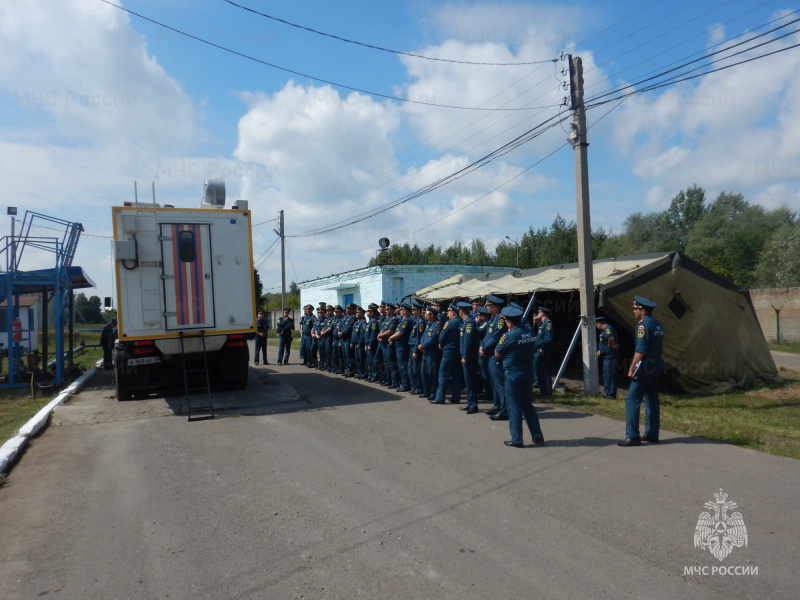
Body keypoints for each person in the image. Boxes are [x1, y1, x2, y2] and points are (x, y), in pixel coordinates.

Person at [495, 305, 545, 448]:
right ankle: (537, 435)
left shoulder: (508, 336)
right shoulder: (529, 332)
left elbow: (497, 353)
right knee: (527, 405)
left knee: (514, 406)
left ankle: (516, 439)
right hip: (527, 372)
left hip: (512, 373)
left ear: (509, 321)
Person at [618, 295, 664, 447]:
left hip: (644, 366)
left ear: (643, 311)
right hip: (655, 365)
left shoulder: (642, 326)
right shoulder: (657, 324)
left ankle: (632, 436)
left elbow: (640, 350)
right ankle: (652, 434)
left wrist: (632, 367)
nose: (633, 311)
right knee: (651, 399)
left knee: (632, 399)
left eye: (635, 309)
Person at [481, 295, 508, 420]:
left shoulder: (501, 320)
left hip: (494, 354)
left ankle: (504, 410)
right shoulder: (493, 319)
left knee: (499, 383)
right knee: (493, 383)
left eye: (489, 305)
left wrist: (485, 348)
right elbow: (487, 336)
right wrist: (482, 346)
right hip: (489, 353)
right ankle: (497, 405)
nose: (486, 307)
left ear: (495, 307)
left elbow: (496, 337)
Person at [457, 302, 480, 414]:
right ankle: (469, 402)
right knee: (468, 381)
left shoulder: (469, 322)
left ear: (460, 312)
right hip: (465, 354)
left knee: (470, 381)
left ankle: (473, 405)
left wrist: (465, 355)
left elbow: (468, 341)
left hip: (469, 356)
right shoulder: (465, 322)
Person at [596, 315, 619, 398]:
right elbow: (604, 343)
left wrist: (611, 345)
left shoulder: (608, 329)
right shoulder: (604, 331)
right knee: (606, 375)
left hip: (610, 356)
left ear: (599, 324)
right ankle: (607, 393)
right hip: (606, 355)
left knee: (610, 375)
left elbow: (611, 338)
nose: (596, 326)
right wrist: (600, 350)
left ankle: (610, 394)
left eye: (596, 324)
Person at [533, 306, 554, 396]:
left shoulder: (548, 323)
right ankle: (543, 391)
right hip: (538, 349)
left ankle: (547, 392)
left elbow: (548, 338)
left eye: (539, 313)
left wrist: (543, 348)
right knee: (539, 371)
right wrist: (535, 323)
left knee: (544, 371)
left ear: (543, 313)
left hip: (543, 349)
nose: (537, 314)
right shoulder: (542, 324)